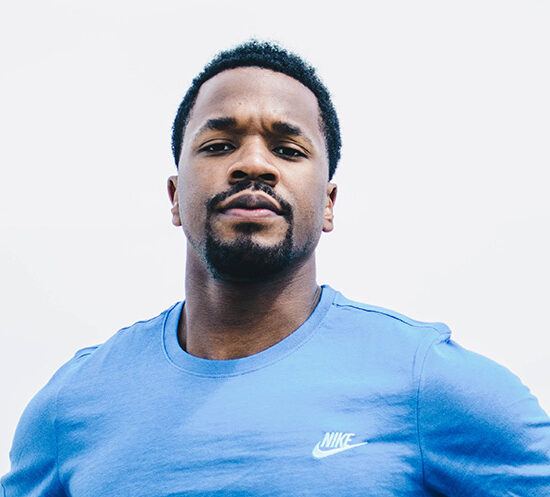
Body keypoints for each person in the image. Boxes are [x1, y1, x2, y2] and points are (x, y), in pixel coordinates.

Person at [2, 40, 550, 497]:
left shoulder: (427, 380)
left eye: (288, 150)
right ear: (174, 196)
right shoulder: (72, 406)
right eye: (219, 145)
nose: (253, 164)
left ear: (328, 203)